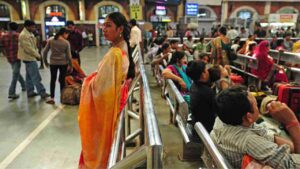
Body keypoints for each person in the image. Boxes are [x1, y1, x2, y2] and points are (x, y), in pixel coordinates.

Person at [78, 12, 135, 169]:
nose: (104, 29)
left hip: (110, 109)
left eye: (108, 25)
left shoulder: (115, 54)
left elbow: (100, 89)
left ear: (120, 29)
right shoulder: (122, 48)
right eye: (103, 25)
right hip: (118, 103)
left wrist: (86, 82)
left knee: (101, 149)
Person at [211, 86, 300, 168]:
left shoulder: (222, 118)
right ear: (248, 117)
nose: (258, 107)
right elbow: (292, 165)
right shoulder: (249, 141)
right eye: (256, 104)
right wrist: (292, 123)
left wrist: (293, 145)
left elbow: (262, 133)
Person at [18, 20, 49, 99]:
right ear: (27, 26)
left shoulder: (29, 33)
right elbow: (29, 49)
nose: (34, 28)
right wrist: (38, 56)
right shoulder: (24, 35)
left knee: (29, 76)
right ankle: (42, 92)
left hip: (29, 57)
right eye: (33, 27)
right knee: (36, 76)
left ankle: (30, 91)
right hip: (29, 58)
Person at [43, 28, 73, 104]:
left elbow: (45, 52)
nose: (67, 36)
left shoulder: (51, 40)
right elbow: (69, 56)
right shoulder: (66, 42)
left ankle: (52, 98)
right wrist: (71, 65)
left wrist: (45, 62)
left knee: (53, 80)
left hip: (53, 63)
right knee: (62, 80)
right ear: (63, 33)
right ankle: (62, 97)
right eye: (67, 34)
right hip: (63, 63)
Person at [186, 60, 216, 132]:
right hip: (207, 128)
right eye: (206, 70)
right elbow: (218, 111)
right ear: (203, 74)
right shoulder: (207, 92)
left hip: (197, 122)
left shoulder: (193, 86)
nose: (208, 71)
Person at [0, 22, 26, 99]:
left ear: (9, 27)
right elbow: (23, 46)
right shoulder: (18, 35)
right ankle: (11, 92)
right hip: (17, 57)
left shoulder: (3, 36)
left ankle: (24, 85)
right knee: (15, 74)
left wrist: (5, 54)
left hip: (9, 57)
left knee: (16, 73)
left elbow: (1, 47)